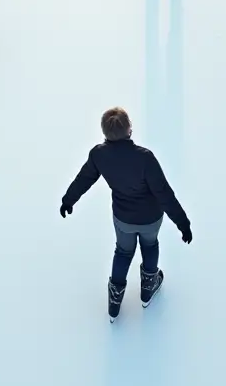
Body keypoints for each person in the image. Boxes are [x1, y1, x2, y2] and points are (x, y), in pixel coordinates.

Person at [60, 106, 192, 321]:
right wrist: (182, 223)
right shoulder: (145, 159)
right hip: (150, 218)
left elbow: (84, 178)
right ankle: (148, 288)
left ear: (105, 133)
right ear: (129, 130)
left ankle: (114, 301)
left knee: (123, 252)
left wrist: (69, 200)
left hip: (123, 218)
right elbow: (164, 194)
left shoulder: (98, 155)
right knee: (150, 245)